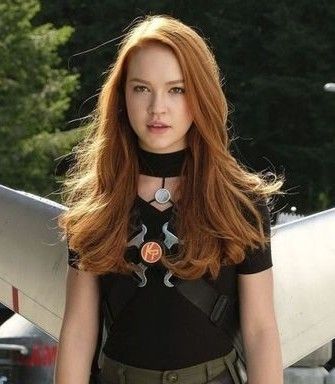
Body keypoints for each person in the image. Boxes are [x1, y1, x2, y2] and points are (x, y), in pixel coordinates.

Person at [54, 14, 285, 384]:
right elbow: (79, 331)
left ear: (201, 94)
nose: (157, 107)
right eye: (141, 88)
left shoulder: (240, 202)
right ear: (121, 95)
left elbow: (260, 331)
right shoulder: (96, 201)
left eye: (177, 89)